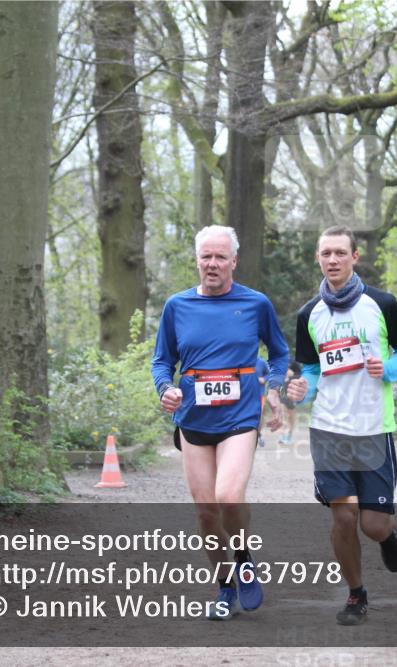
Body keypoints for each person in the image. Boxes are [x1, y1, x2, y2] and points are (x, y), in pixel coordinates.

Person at [151, 225, 288, 620]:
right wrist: (165, 388)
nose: (212, 264)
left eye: (219, 257)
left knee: (228, 496)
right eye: (205, 257)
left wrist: (274, 389)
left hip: (240, 416)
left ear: (234, 261)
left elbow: (278, 354)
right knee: (207, 511)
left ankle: (243, 556)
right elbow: (163, 359)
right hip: (193, 418)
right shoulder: (177, 306)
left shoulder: (256, 303)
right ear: (197, 260)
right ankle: (225, 586)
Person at [284, 225, 397, 626]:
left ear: (354, 257)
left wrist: (387, 367)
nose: (333, 260)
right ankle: (356, 593)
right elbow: (311, 370)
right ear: (318, 259)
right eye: (326, 254)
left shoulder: (382, 303)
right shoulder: (309, 314)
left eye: (340, 253)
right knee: (343, 517)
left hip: (373, 426)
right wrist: (302, 390)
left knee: (373, 524)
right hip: (330, 431)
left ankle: (389, 536)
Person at [278, 360, 303, 445]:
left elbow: (301, 376)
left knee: (290, 416)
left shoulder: (294, 363)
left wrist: (292, 376)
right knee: (282, 414)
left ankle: (289, 435)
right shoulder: (279, 362)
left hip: (292, 393)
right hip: (283, 393)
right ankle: (282, 435)